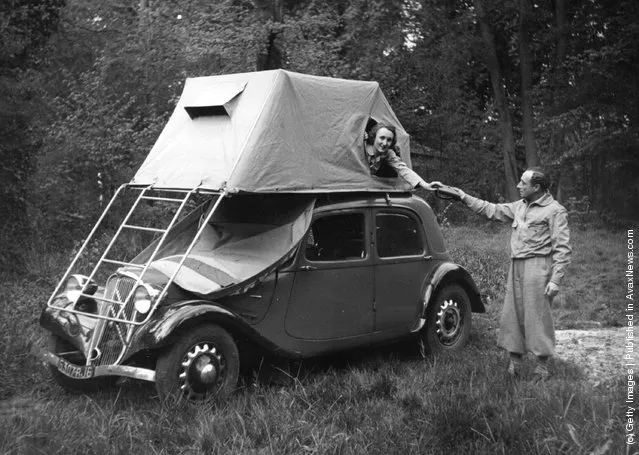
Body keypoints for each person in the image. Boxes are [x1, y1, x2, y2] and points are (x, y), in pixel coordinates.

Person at [441, 168, 571, 381]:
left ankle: (541, 368)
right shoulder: (519, 206)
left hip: (538, 268)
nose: (519, 186)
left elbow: (563, 248)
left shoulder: (555, 211)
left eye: (523, 183)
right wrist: (463, 197)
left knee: (537, 316)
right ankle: (515, 364)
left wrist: (556, 279)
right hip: (516, 267)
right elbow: (490, 209)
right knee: (513, 314)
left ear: (536, 187)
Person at [364, 123, 437, 190]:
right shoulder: (362, 148)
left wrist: (425, 185)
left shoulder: (388, 154)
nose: (385, 143)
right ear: (374, 137)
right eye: (382, 138)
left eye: (389, 140)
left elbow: (403, 170)